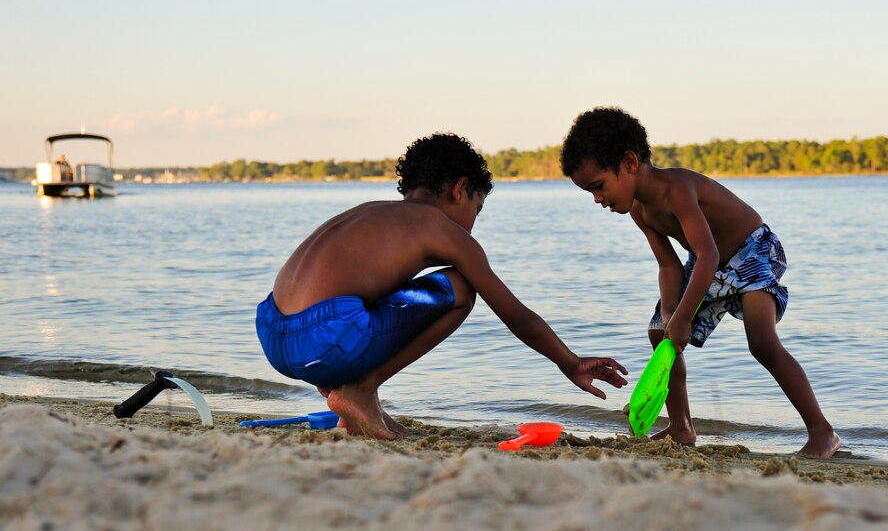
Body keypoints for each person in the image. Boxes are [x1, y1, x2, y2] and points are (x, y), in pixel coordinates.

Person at [256, 132, 628, 440]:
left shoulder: (371, 213)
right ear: (460, 189)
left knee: (377, 299)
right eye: (476, 210)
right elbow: (515, 315)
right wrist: (570, 362)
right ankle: (360, 391)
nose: (472, 223)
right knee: (462, 287)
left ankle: (355, 404)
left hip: (274, 333)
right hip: (324, 336)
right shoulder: (439, 228)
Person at [560, 107, 841, 457]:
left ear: (630, 162)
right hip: (706, 262)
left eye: (599, 186)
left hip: (750, 251)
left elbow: (707, 252)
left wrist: (683, 318)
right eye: (590, 192)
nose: (598, 199)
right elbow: (669, 266)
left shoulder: (677, 188)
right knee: (659, 331)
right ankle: (681, 428)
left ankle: (822, 432)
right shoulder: (640, 210)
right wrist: (669, 312)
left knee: (763, 343)